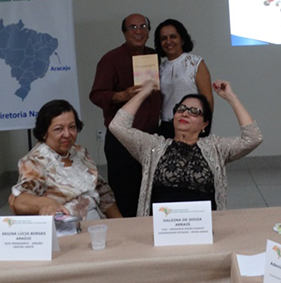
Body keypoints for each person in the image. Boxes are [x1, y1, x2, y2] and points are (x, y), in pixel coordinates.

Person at [109, 79, 262, 216]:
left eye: (194, 111)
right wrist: (144, 92)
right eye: (181, 109)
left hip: (202, 226)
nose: (185, 114)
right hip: (162, 226)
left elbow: (253, 138)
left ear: (204, 124)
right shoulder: (152, 146)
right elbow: (118, 126)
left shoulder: (216, 148)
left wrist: (231, 97)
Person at [89, 13, 163, 217]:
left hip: (151, 137)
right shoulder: (111, 59)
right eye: (133, 27)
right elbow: (96, 95)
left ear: (148, 31)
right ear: (124, 32)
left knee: (152, 190)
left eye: (143, 26)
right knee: (125, 194)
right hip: (122, 139)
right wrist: (121, 95)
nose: (138, 31)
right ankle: (127, 232)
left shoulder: (155, 57)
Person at [10, 100, 121, 220]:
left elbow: (103, 193)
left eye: (72, 127)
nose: (67, 134)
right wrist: (45, 203)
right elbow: (18, 200)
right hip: (66, 226)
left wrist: (121, 223)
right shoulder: (36, 160)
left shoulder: (79, 152)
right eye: (59, 129)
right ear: (44, 133)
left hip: (96, 224)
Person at [154, 19, 213, 139]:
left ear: (182, 39)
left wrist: (204, 129)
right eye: (164, 38)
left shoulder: (195, 63)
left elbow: (207, 100)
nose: (168, 41)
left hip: (191, 125)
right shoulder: (160, 68)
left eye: (173, 37)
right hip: (166, 127)